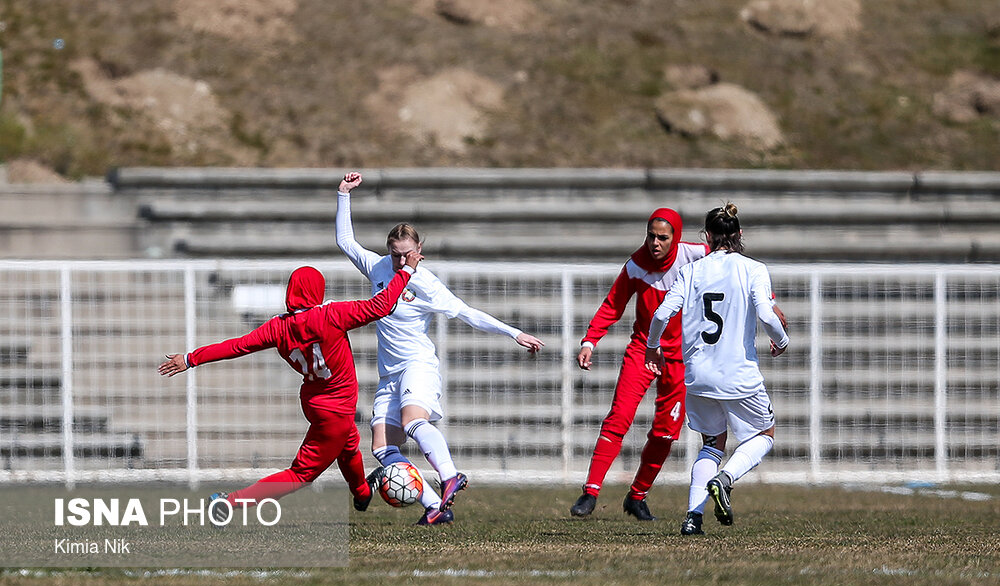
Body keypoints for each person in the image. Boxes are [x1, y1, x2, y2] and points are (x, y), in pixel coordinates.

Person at [335, 171, 545, 526]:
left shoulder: (427, 283)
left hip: (418, 365)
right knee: (382, 448)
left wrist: (513, 333)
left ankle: (449, 475)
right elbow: (345, 241)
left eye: (407, 255)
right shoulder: (379, 268)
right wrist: (343, 194)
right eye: (395, 254)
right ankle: (435, 506)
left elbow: (466, 312)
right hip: (390, 372)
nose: (401, 262)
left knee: (413, 421)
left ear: (419, 251)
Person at [158, 253, 422, 522]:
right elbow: (383, 305)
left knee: (349, 442)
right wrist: (406, 271)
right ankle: (229, 504)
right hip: (336, 408)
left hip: (314, 400)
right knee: (301, 473)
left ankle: (362, 493)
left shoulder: (278, 326)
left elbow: (237, 346)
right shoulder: (331, 315)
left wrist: (191, 358)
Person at [644, 202, 789, 536]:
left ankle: (693, 518)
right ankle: (725, 479)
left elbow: (661, 315)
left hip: (698, 375)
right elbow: (767, 315)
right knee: (764, 435)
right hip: (738, 373)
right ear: (739, 235)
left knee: (712, 442)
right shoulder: (753, 269)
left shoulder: (691, 270)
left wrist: (653, 347)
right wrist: (782, 342)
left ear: (707, 236)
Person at [570, 208, 708, 521]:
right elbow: (612, 305)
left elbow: (734, 263)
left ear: (676, 237)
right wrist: (589, 341)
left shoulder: (696, 255)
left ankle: (637, 496)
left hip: (681, 358)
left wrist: (766, 298)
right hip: (643, 352)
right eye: (651, 236)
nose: (655, 243)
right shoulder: (635, 266)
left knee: (665, 433)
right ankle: (590, 491)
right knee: (619, 417)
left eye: (663, 237)